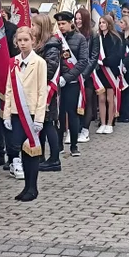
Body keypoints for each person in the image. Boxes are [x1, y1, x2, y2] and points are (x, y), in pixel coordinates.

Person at [3, 27, 46, 201]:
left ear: (33, 41)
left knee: (32, 151)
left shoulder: (39, 63)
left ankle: (32, 188)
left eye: (26, 40)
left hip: (32, 113)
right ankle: (25, 187)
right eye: (19, 40)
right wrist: (6, 114)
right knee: (18, 149)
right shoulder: (13, 62)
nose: (22, 44)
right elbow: (8, 89)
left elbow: (42, 91)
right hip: (15, 112)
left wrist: (40, 119)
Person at [52, 11, 89, 158]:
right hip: (57, 83)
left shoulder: (80, 39)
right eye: (59, 24)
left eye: (63, 24)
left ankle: (74, 145)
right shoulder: (56, 39)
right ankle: (59, 144)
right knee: (59, 115)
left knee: (72, 114)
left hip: (72, 82)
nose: (61, 26)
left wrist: (66, 77)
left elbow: (82, 62)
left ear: (70, 23)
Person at [34, 15, 62, 172]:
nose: (32, 28)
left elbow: (50, 68)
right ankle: (42, 156)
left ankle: (55, 159)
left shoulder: (51, 45)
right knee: (43, 125)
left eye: (34, 25)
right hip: (39, 90)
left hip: (47, 90)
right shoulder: (40, 44)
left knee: (48, 123)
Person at [89, 13, 123, 134]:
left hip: (110, 71)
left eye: (104, 22)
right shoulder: (97, 37)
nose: (102, 25)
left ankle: (110, 123)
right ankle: (102, 123)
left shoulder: (115, 38)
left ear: (109, 24)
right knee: (101, 98)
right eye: (100, 23)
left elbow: (117, 55)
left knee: (110, 98)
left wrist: (104, 61)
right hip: (100, 72)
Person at [74, 7, 95, 142]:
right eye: (76, 18)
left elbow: (94, 56)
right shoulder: (72, 34)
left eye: (80, 18)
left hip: (88, 75)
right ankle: (75, 128)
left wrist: (84, 74)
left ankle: (85, 129)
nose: (77, 21)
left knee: (87, 101)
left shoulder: (93, 34)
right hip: (74, 73)